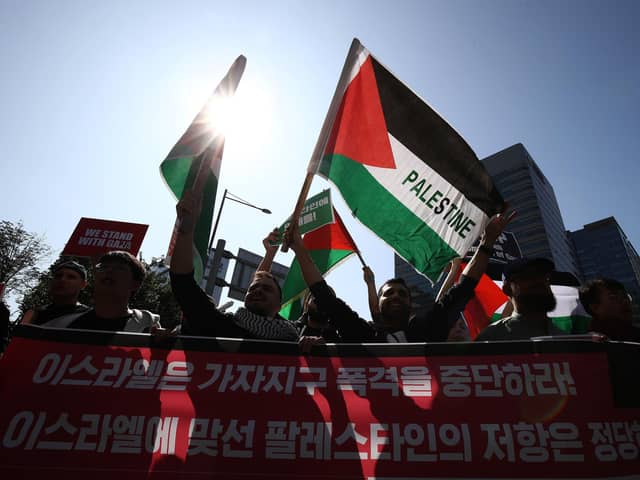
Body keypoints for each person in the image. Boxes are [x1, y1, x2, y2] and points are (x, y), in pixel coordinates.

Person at [288, 210, 515, 343]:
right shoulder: (364, 333)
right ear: (379, 302)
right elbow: (324, 295)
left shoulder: (428, 329)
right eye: (389, 293)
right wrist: (299, 248)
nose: (396, 296)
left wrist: (487, 243)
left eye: (402, 294)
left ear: (411, 303)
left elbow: (463, 288)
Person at [169, 191, 298, 341]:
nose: (258, 291)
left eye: (267, 289)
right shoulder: (221, 326)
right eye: (253, 288)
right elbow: (183, 283)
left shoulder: (291, 343)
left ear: (279, 306)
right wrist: (186, 230)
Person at [39, 251, 160, 332]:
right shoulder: (57, 326)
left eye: (119, 268)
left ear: (135, 284)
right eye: (103, 267)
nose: (109, 271)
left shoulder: (147, 324)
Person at [475, 258, 566, 341]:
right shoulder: (491, 338)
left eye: (545, 278)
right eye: (529, 277)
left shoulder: (565, 339)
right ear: (507, 289)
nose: (539, 282)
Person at [21, 260, 90, 325]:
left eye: (71, 277)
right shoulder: (33, 315)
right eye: (58, 276)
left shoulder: (89, 316)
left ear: (83, 285)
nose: (62, 280)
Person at [579, 278, 640, 342]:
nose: (625, 301)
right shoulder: (589, 346)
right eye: (613, 297)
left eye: (626, 296)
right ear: (595, 307)